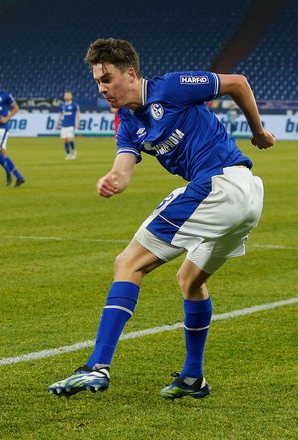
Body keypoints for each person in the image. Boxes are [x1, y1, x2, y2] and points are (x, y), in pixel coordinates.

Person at [48, 38, 274, 400]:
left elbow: (238, 83)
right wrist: (113, 181)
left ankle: (96, 366)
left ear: (131, 73)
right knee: (190, 280)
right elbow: (123, 170)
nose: (102, 88)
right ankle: (192, 378)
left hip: (221, 184)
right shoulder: (127, 124)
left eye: (106, 78)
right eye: (97, 81)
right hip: (241, 200)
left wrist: (258, 132)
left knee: (128, 263)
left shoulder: (171, 87)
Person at [54, 90, 81, 160]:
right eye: (65, 95)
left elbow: (78, 114)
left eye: (68, 95)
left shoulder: (74, 105)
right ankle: (68, 154)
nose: (66, 96)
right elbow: (60, 115)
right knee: (65, 140)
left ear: (71, 96)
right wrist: (57, 124)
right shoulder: (63, 105)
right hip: (64, 125)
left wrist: (78, 123)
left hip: (71, 125)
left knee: (70, 139)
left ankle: (74, 151)